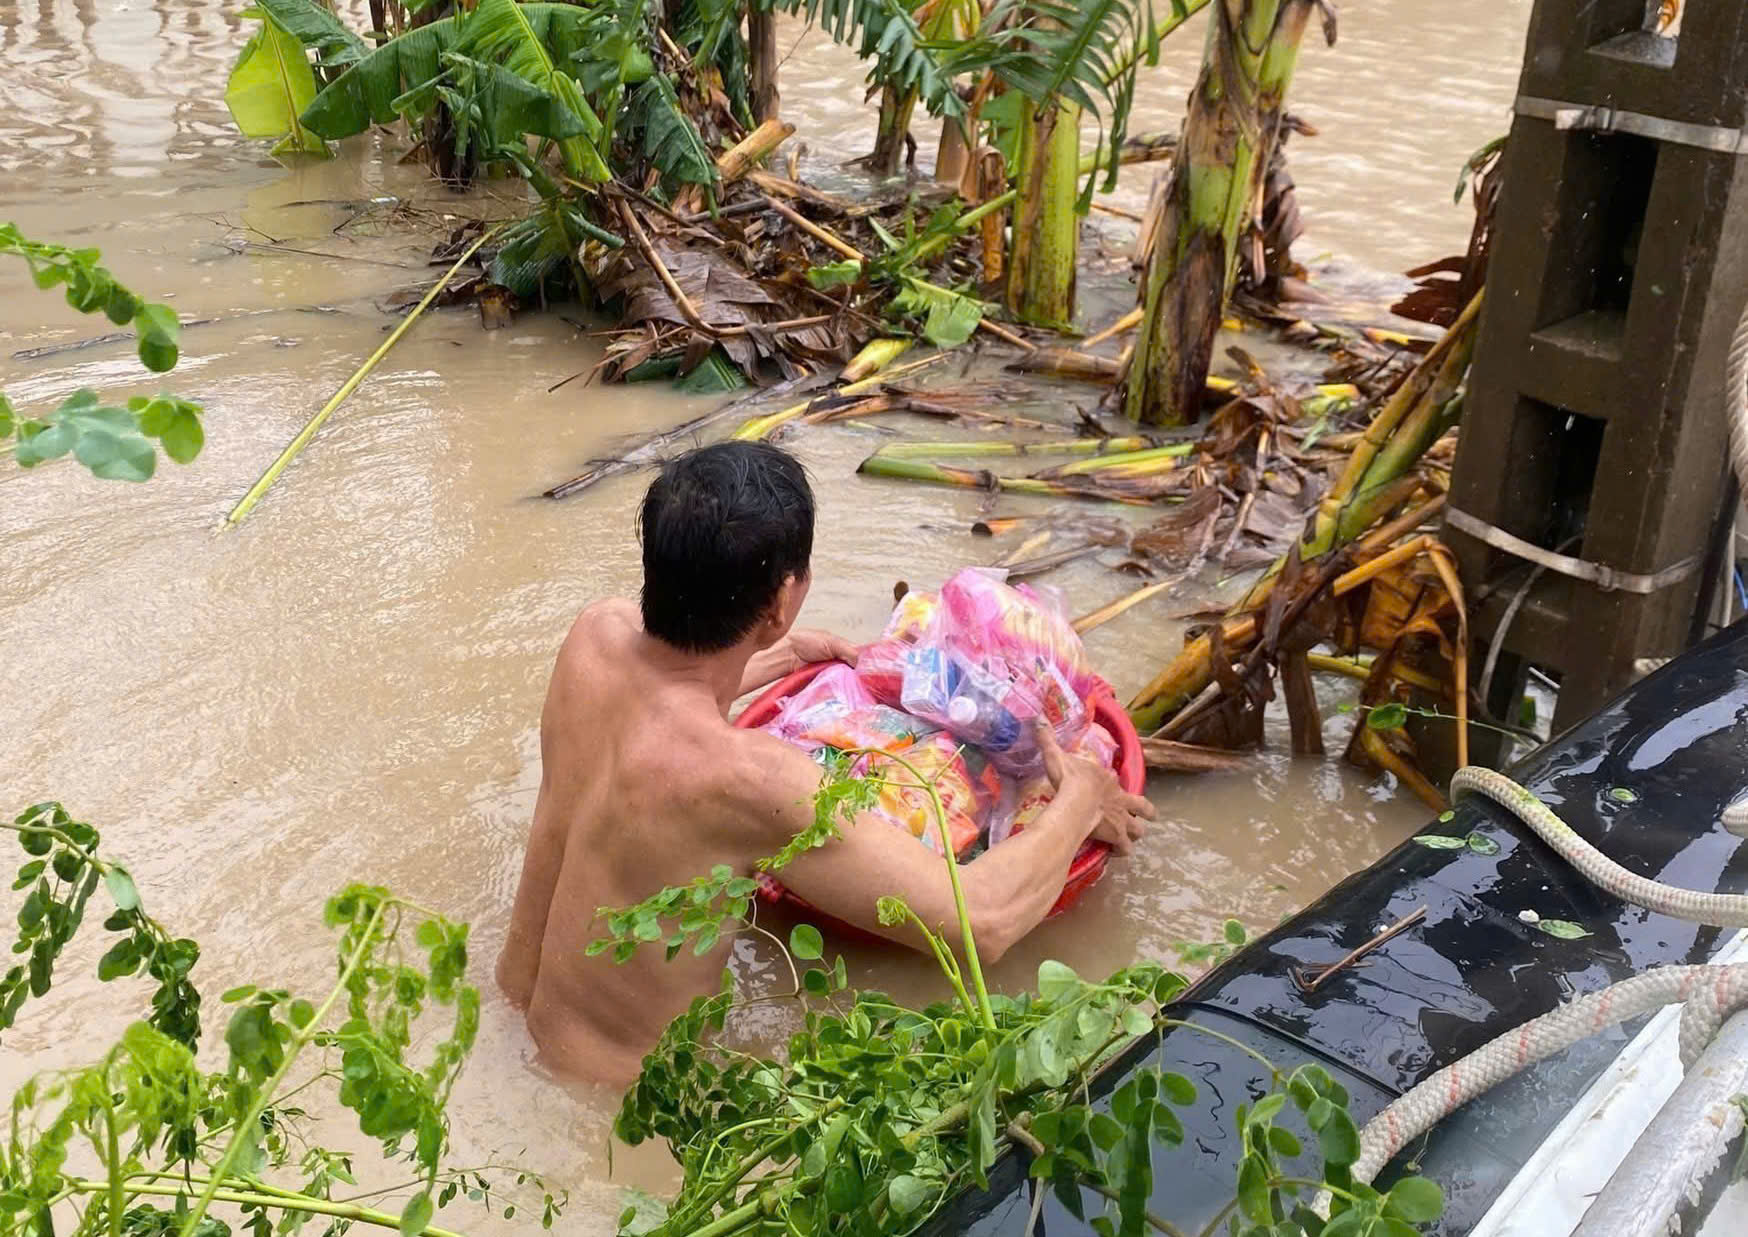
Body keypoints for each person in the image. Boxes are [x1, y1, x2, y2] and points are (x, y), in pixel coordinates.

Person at [497, 441, 1154, 1084]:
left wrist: (784, 656)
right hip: (612, 1105)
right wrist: (1081, 799)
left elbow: (666, 690)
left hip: (514, 1019)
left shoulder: (593, 634)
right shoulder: (750, 778)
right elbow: (980, 922)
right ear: (781, 599)